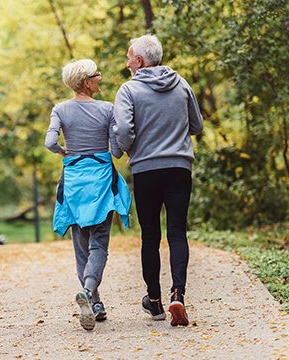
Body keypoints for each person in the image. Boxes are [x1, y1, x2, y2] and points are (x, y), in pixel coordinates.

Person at [114, 34, 204, 326]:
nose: (127, 63)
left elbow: (124, 131)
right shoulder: (182, 84)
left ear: (139, 61)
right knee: (177, 232)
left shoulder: (128, 90)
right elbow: (197, 125)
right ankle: (178, 293)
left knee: (150, 235)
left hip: (146, 170)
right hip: (179, 167)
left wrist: (131, 148)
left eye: (129, 58)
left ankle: (154, 303)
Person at [45, 59, 132, 331]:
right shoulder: (107, 109)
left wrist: (64, 152)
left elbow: (49, 142)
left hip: (73, 183)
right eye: (97, 75)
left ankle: (94, 302)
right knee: (100, 243)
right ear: (86, 82)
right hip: (101, 183)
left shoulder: (60, 109)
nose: (100, 78)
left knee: (81, 245)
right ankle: (89, 289)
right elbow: (117, 152)